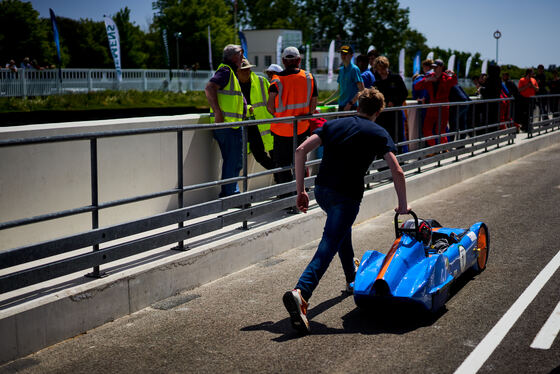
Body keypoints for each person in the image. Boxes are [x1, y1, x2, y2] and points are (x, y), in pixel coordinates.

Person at [282, 87, 410, 333]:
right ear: (379, 111)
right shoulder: (378, 132)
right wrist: (403, 205)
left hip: (323, 191)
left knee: (340, 231)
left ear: (357, 105)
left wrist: (301, 190)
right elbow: (397, 171)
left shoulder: (335, 124)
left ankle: (352, 278)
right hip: (347, 196)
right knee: (329, 243)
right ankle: (301, 292)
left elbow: (300, 151)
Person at [267, 46, 318, 188]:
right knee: (300, 163)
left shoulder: (276, 80)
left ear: (283, 61)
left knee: (283, 166)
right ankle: (302, 192)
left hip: (281, 130)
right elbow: (313, 107)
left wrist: (281, 115)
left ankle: (288, 199)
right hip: (301, 129)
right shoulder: (309, 78)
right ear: (299, 60)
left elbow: (270, 106)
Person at [205, 44, 245, 198]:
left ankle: (229, 192)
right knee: (233, 160)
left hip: (230, 125)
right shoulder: (226, 71)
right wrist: (218, 113)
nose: (242, 57)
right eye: (241, 54)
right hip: (227, 125)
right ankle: (231, 194)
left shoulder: (230, 72)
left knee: (233, 160)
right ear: (234, 56)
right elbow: (209, 88)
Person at [237, 58, 275, 170]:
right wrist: (247, 109)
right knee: (259, 155)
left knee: (276, 154)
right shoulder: (233, 85)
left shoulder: (261, 81)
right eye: (243, 70)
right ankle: (281, 176)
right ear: (237, 71)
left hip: (266, 124)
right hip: (250, 127)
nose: (246, 71)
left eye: (248, 69)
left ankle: (282, 179)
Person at [413, 59, 458, 146]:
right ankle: (433, 149)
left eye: (436, 67)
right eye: (433, 67)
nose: (434, 69)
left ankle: (444, 148)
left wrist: (453, 74)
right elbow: (416, 87)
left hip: (443, 107)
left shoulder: (447, 78)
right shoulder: (430, 76)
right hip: (432, 106)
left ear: (441, 68)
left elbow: (454, 82)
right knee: (426, 128)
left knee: (441, 130)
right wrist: (427, 80)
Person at [372, 56, 408, 149]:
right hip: (382, 116)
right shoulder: (376, 82)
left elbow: (404, 93)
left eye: (382, 69)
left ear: (386, 67)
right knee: (382, 139)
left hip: (395, 114)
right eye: (378, 69)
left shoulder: (396, 78)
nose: (380, 72)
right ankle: (383, 162)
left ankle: (399, 160)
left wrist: (394, 102)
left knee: (397, 138)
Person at [322, 45, 364, 111]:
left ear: (351, 55)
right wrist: (325, 102)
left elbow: (361, 90)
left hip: (352, 107)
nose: (343, 56)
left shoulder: (354, 69)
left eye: (345, 54)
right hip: (341, 106)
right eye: (341, 53)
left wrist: (350, 103)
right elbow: (339, 91)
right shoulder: (341, 70)